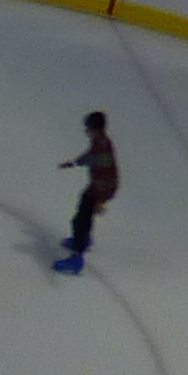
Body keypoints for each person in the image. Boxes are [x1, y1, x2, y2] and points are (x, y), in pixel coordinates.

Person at [54, 110, 116, 273]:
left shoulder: (102, 147)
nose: (86, 131)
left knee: (80, 221)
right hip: (99, 188)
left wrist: (99, 200)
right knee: (83, 214)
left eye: (88, 128)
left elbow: (104, 175)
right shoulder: (99, 142)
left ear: (95, 129)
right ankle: (82, 240)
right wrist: (74, 163)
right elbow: (90, 157)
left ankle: (77, 258)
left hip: (101, 189)